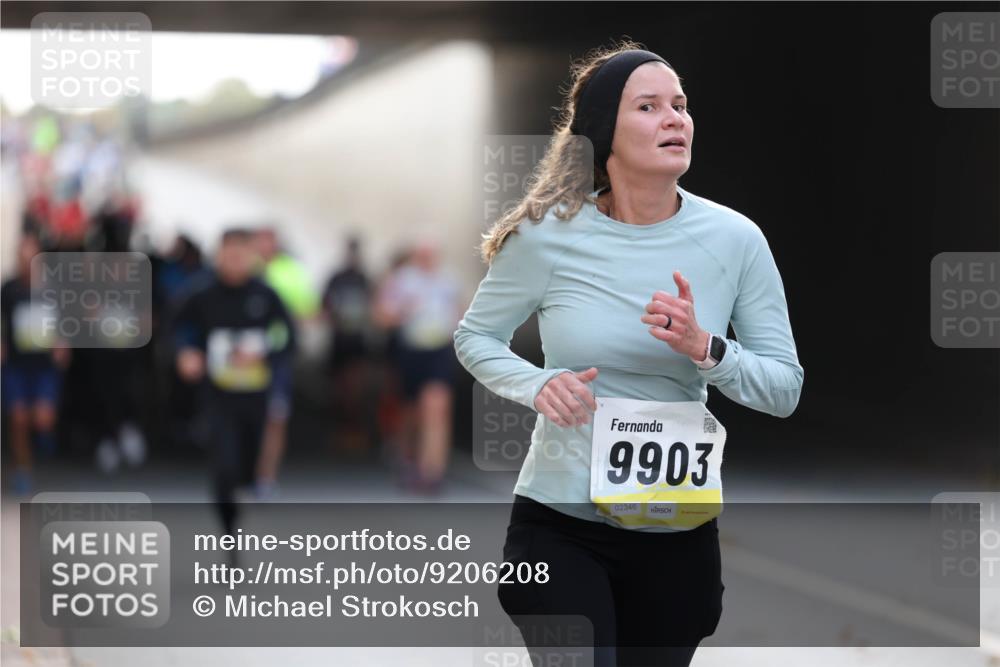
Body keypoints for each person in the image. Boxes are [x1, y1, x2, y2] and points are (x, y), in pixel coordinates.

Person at [454, 42, 804, 667]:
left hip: (678, 530)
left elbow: (783, 389)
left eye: (681, 104)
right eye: (649, 106)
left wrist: (707, 349)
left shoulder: (736, 239)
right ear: (602, 133)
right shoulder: (545, 235)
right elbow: (475, 337)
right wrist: (536, 385)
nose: (675, 118)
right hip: (560, 523)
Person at [171, 229, 296, 537]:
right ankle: (228, 528)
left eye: (242, 255)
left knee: (249, 462)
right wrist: (186, 353)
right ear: (220, 255)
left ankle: (252, 485)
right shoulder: (201, 293)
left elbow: (289, 337)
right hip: (217, 395)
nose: (236, 261)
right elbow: (176, 328)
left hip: (255, 395)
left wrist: (264, 354)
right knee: (223, 465)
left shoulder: (266, 295)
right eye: (230, 254)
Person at [375, 241, 461, 494]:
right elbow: (381, 316)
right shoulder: (401, 280)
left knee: (436, 407)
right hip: (410, 351)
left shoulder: (449, 280)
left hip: (439, 350)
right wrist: (403, 312)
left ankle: (431, 472)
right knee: (412, 410)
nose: (427, 259)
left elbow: (462, 313)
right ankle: (406, 456)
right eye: (422, 254)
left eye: (431, 254)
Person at [1, 233, 69, 494]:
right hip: (17, 365)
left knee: (42, 418)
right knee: (18, 417)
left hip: (44, 366)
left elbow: (65, 323)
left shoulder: (53, 290)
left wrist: (62, 344)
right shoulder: (9, 289)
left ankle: (44, 436)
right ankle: (23, 468)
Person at [251, 226, 314, 498]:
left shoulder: (291, 270)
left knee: (275, 416)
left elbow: (309, 310)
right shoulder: (242, 268)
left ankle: (266, 476)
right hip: (239, 357)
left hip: (276, 354)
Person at [322, 236, 373, 456]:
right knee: (340, 389)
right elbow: (324, 305)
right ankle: (341, 431)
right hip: (340, 339)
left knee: (355, 388)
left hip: (357, 340)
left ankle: (354, 431)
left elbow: (375, 306)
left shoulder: (364, 278)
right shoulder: (337, 277)